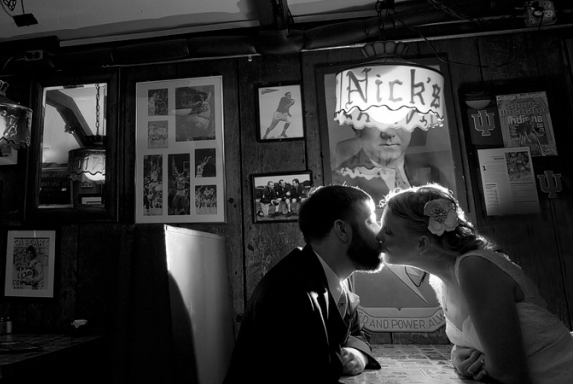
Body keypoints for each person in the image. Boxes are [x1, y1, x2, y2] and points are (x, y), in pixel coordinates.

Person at [376, 183, 573, 384]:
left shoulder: (475, 267)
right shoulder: (440, 280)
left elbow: (509, 373)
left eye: (388, 231)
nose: (378, 236)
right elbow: (478, 346)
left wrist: (478, 364)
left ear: (422, 244)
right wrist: (458, 357)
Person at [225, 185, 383, 384]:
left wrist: (357, 354)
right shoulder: (288, 294)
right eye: (371, 221)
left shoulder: (334, 275)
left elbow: (356, 331)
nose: (381, 233)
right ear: (342, 230)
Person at [333, 126, 439, 212]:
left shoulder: (432, 174)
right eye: (376, 122)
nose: (388, 133)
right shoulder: (341, 182)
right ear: (358, 128)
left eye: (400, 120)